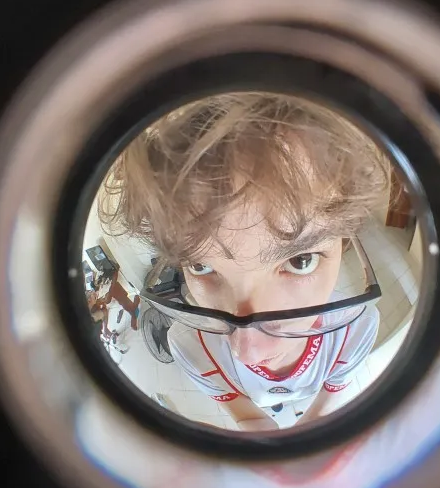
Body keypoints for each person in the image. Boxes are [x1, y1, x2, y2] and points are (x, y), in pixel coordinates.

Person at [99, 92, 390, 430]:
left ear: (347, 240)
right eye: (201, 266)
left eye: (300, 261)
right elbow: (246, 414)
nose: (248, 351)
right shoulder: (188, 344)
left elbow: (332, 392)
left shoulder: (357, 327)